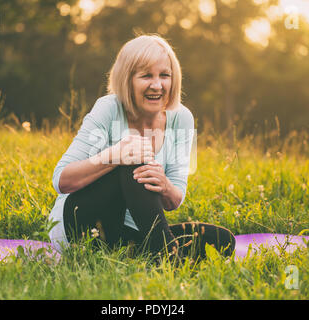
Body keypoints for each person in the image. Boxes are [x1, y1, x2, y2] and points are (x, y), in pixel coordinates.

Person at [48, 34, 235, 261]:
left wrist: (164, 184)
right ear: (127, 79)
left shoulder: (182, 118)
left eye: (164, 75)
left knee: (221, 240)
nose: (157, 85)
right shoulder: (108, 108)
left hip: (132, 231)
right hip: (81, 225)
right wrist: (116, 155)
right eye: (146, 75)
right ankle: (169, 260)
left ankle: (152, 251)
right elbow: (61, 180)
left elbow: (174, 200)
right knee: (135, 155)